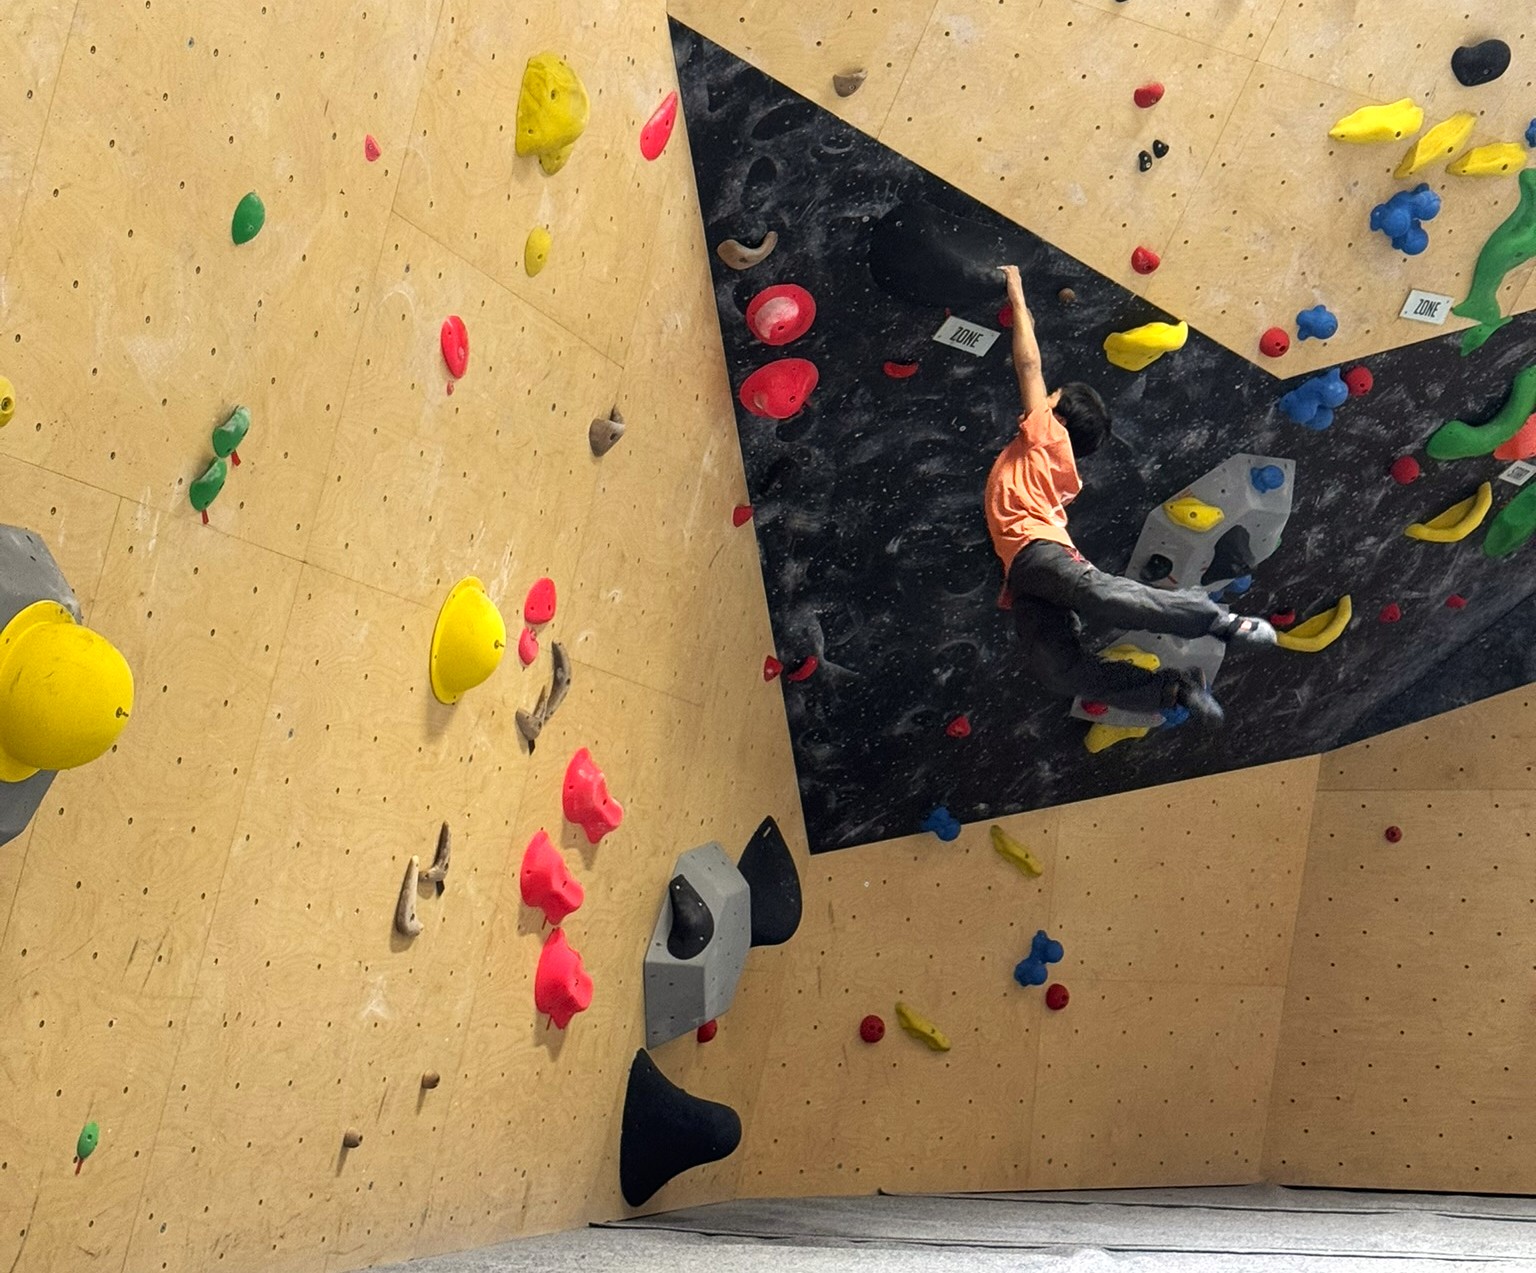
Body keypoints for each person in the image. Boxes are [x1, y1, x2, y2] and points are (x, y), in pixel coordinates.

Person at [984, 265, 1276, 725]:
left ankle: (1218, 621)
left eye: (1051, 397)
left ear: (1057, 416)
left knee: (1102, 596)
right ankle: (1174, 689)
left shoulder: (1044, 436)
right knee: (1057, 671)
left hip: (1038, 556)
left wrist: (1017, 294)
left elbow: (1029, 363)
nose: (1043, 397)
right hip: (1025, 575)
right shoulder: (1051, 465)